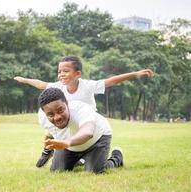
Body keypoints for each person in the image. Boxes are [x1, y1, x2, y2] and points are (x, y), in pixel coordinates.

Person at [14, 56, 154, 167]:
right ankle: (48, 151)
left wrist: (135, 74)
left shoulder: (87, 85)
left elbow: (111, 81)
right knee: (49, 131)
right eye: (59, 71)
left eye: (66, 71)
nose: (61, 74)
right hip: (68, 122)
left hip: (87, 123)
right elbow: (40, 84)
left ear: (78, 73)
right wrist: (25, 80)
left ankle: (114, 158)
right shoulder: (58, 87)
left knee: (93, 162)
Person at [38, 87, 123, 173]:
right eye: (51, 115)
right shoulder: (43, 117)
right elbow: (49, 132)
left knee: (94, 172)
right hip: (69, 145)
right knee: (57, 171)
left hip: (97, 138)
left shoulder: (81, 109)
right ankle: (81, 160)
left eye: (60, 110)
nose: (57, 117)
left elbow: (87, 132)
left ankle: (116, 157)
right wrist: (46, 152)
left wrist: (67, 143)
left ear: (67, 103)